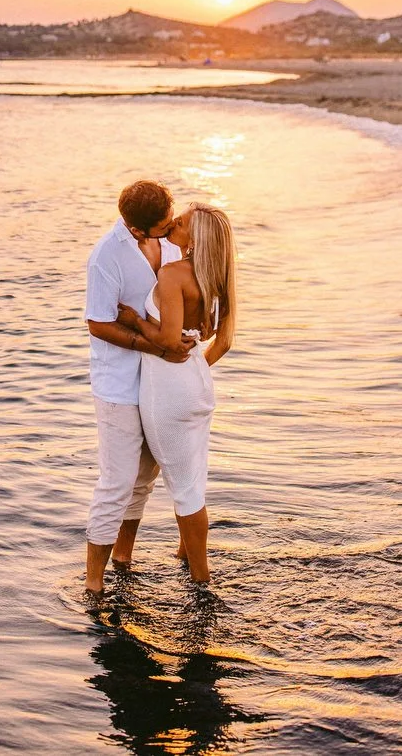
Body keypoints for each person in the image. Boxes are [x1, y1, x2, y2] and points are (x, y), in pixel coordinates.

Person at [84, 180, 195, 595]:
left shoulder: (170, 243)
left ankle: (124, 558)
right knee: (117, 480)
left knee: (145, 476)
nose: (171, 230)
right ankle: (93, 583)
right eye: (163, 226)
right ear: (136, 229)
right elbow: (98, 322)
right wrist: (150, 343)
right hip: (118, 385)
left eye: (171, 220)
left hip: (160, 380)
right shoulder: (106, 258)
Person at [118, 203, 236, 583]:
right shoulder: (219, 276)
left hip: (168, 389)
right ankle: (179, 556)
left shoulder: (173, 274)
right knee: (190, 477)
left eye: (181, 223)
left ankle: (202, 581)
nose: (173, 223)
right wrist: (193, 367)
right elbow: (223, 342)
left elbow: (169, 340)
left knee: (184, 489)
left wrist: (134, 319)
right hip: (197, 383)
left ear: (195, 238)